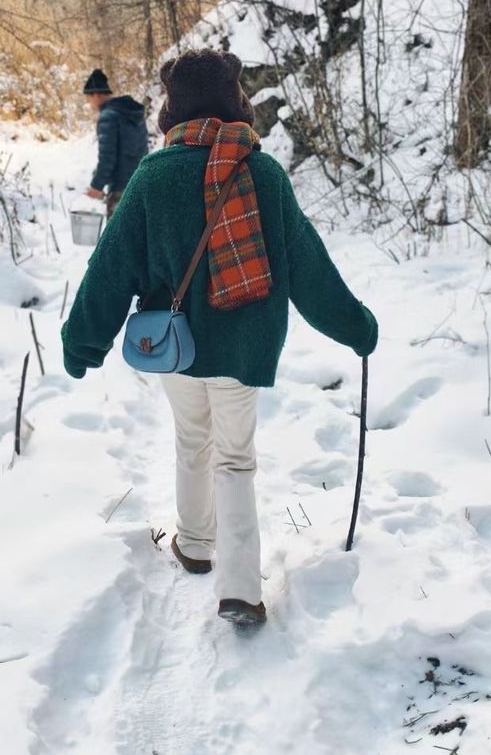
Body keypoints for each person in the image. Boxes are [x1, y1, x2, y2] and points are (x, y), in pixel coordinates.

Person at [62, 49, 378, 626]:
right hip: (243, 345)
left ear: (172, 107)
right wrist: (354, 325)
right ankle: (239, 589)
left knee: (192, 441)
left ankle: (196, 545)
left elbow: (110, 267)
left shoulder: (153, 177)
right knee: (235, 459)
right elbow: (308, 264)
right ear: (235, 101)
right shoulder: (262, 172)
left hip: (175, 344)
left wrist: (83, 340)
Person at [83, 68, 148, 219]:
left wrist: (96, 186)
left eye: (88, 99)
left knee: (117, 240)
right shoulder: (134, 114)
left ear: (97, 95)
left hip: (120, 190)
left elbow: (107, 158)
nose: (89, 104)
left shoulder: (108, 117)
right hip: (141, 185)